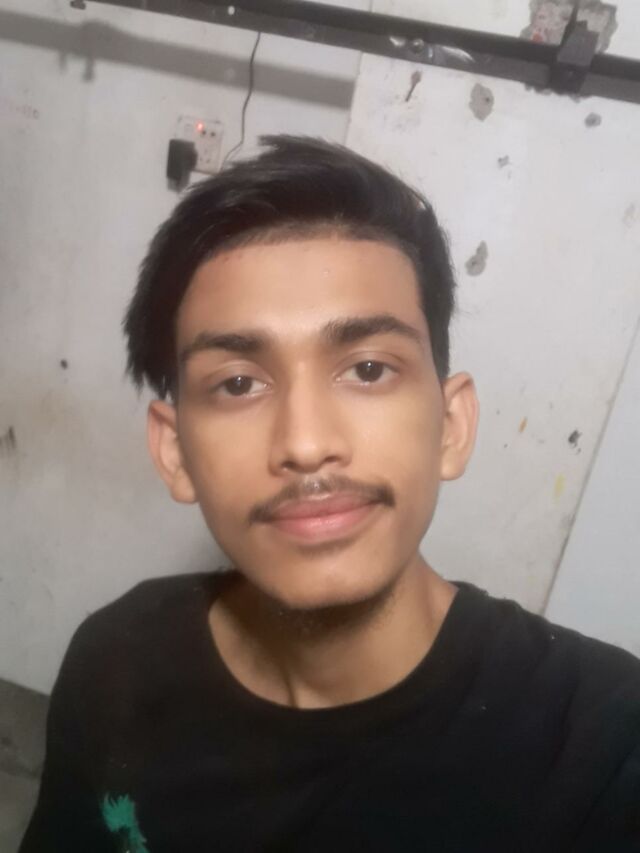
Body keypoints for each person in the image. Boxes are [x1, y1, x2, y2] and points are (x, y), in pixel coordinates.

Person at [21, 136, 640, 852]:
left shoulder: (602, 748)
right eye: (238, 383)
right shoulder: (115, 661)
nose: (306, 441)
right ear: (174, 450)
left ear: (451, 425)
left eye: (369, 369)